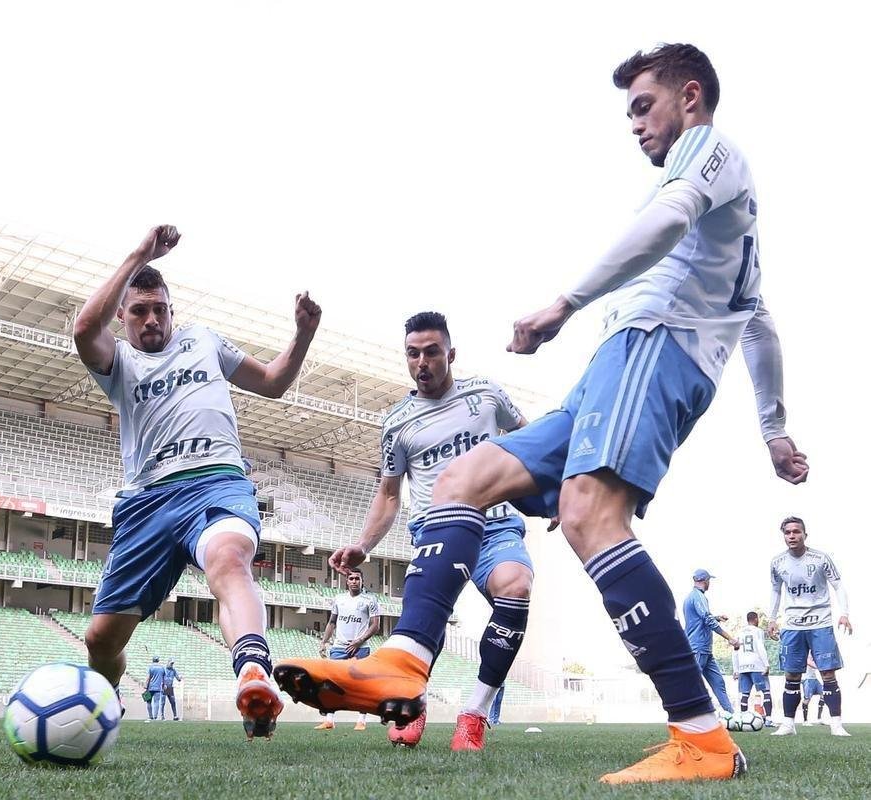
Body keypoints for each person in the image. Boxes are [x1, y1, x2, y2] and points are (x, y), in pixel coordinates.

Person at [274, 43, 809, 783]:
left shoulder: (708, 152)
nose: (634, 126)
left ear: (690, 97)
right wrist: (774, 428)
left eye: (642, 106)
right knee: (464, 477)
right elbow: (759, 323)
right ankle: (404, 660)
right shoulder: (730, 216)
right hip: (612, 369)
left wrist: (565, 302)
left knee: (591, 517)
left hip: (655, 352)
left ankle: (701, 737)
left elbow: (665, 224)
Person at [74, 224, 321, 740]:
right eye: (138, 310)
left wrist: (302, 335)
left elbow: (272, 382)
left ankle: (252, 672)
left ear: (171, 310)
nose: (151, 319)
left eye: (159, 308)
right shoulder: (118, 361)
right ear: (122, 315)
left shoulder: (203, 340)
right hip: (147, 500)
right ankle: (108, 693)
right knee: (100, 641)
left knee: (229, 559)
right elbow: (82, 331)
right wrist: (139, 251)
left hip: (217, 481)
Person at [308, 311, 533, 751]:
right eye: (413, 354)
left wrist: (556, 492)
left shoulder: (486, 395)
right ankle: (413, 701)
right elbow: (389, 496)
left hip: (496, 524)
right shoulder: (397, 423)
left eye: (432, 352)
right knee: (425, 618)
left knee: (517, 587)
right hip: (435, 531)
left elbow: (531, 440)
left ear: (451, 353)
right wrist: (363, 543)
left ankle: (474, 715)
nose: (422, 362)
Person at [768, 516, 851, 737]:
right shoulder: (777, 563)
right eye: (788, 532)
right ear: (783, 535)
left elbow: (838, 585)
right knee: (792, 675)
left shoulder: (821, 558)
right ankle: (787, 724)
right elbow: (776, 591)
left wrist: (844, 613)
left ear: (805, 534)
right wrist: (772, 618)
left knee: (827, 673)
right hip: (793, 625)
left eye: (796, 531)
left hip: (820, 623)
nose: (792, 536)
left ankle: (836, 724)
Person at [314, 568, 380, 732]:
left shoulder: (370, 600)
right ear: (347, 581)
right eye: (351, 578)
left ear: (362, 580)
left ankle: (361, 720)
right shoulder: (339, 599)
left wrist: (359, 641)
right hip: (339, 647)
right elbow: (332, 622)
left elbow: (375, 625)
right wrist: (323, 642)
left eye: (357, 578)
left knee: (361, 685)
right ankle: (329, 720)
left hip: (360, 648)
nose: (354, 581)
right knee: (330, 684)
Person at [682, 569, 738, 714]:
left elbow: (700, 619)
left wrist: (717, 617)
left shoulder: (692, 597)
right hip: (698, 647)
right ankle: (688, 716)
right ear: (705, 581)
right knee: (693, 684)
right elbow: (707, 619)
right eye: (709, 581)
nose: (709, 584)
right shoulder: (698, 597)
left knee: (718, 682)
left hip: (705, 650)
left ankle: (731, 715)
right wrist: (729, 638)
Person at [732, 611, 774, 725]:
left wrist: (735, 669)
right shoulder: (758, 631)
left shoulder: (739, 632)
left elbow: (735, 651)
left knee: (745, 694)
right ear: (755, 619)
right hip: (756, 665)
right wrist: (766, 664)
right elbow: (760, 647)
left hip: (743, 666)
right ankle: (769, 719)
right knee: (765, 691)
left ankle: (743, 720)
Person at [800, 655, 825, 726]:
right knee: (807, 699)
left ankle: (819, 718)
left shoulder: (814, 651)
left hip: (814, 678)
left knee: (823, 694)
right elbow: (808, 662)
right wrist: (821, 666)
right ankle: (805, 721)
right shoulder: (806, 652)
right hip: (807, 679)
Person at [146, 655, 165, 721]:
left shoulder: (150, 667)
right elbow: (163, 678)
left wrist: (146, 686)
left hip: (150, 687)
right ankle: (155, 717)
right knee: (156, 702)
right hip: (158, 688)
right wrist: (163, 685)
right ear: (158, 660)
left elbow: (148, 678)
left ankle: (150, 716)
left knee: (148, 702)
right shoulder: (162, 668)